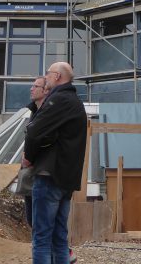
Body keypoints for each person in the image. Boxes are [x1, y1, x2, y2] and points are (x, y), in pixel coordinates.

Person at [23, 61, 87, 264]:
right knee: (59, 239)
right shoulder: (75, 102)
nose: (46, 77)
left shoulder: (58, 99)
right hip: (66, 179)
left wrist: (29, 157)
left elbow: (34, 131)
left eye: (48, 74)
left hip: (49, 175)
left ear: (57, 77)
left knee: (41, 238)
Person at [23, 77, 49, 226]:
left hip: (42, 170)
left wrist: (30, 156)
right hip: (31, 172)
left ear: (45, 90)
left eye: (36, 86)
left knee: (42, 220)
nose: (31, 89)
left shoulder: (48, 113)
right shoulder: (33, 111)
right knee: (32, 219)